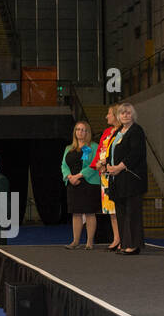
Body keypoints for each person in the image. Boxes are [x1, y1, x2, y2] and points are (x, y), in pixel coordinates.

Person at [104, 103, 147, 255]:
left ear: (133, 115)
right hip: (117, 180)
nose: (125, 115)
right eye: (122, 113)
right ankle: (124, 243)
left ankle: (133, 245)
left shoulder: (136, 131)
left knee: (132, 212)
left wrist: (119, 167)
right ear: (119, 116)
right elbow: (111, 151)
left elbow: (136, 153)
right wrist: (108, 165)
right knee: (121, 212)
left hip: (132, 180)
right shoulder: (117, 133)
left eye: (128, 113)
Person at [62, 120, 101, 249]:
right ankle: (75, 241)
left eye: (83, 130)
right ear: (75, 132)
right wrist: (69, 177)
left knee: (90, 213)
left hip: (88, 183)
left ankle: (89, 242)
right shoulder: (69, 148)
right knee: (76, 213)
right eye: (78, 129)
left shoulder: (93, 146)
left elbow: (94, 164)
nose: (80, 132)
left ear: (88, 132)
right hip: (73, 183)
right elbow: (64, 165)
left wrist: (79, 176)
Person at [94, 104, 122, 251]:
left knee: (119, 210)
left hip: (115, 173)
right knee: (110, 211)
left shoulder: (121, 131)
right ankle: (116, 237)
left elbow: (118, 152)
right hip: (104, 175)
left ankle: (124, 238)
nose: (106, 116)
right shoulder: (106, 131)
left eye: (109, 114)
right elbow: (100, 150)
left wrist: (108, 164)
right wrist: (98, 164)